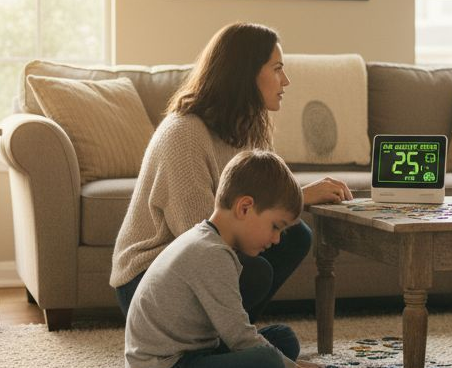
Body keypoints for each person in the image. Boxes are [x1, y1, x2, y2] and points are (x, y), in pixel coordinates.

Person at [111, 22, 352, 320]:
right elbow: (201, 241)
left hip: (198, 261)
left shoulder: (249, 126)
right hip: (148, 278)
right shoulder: (184, 133)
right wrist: (300, 198)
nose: (286, 80)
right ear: (245, 74)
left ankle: (232, 333)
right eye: (277, 69)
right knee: (253, 272)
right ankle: (221, 338)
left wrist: (296, 201)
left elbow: (259, 205)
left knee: (296, 236)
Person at [125, 150, 337, 368]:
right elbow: (239, 336)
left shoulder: (209, 240)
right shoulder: (210, 254)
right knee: (269, 363)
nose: (276, 240)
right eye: (275, 226)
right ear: (244, 207)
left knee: (283, 338)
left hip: (196, 353)